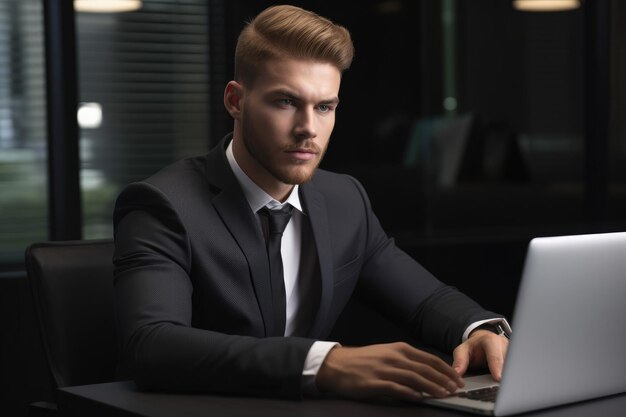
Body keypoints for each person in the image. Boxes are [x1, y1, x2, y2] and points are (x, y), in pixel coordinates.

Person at [113, 4, 510, 403]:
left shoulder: (344, 200)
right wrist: (324, 363)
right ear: (236, 100)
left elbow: (426, 299)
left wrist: (478, 329)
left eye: (324, 107)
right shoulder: (162, 206)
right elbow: (152, 345)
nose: (308, 128)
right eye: (285, 102)